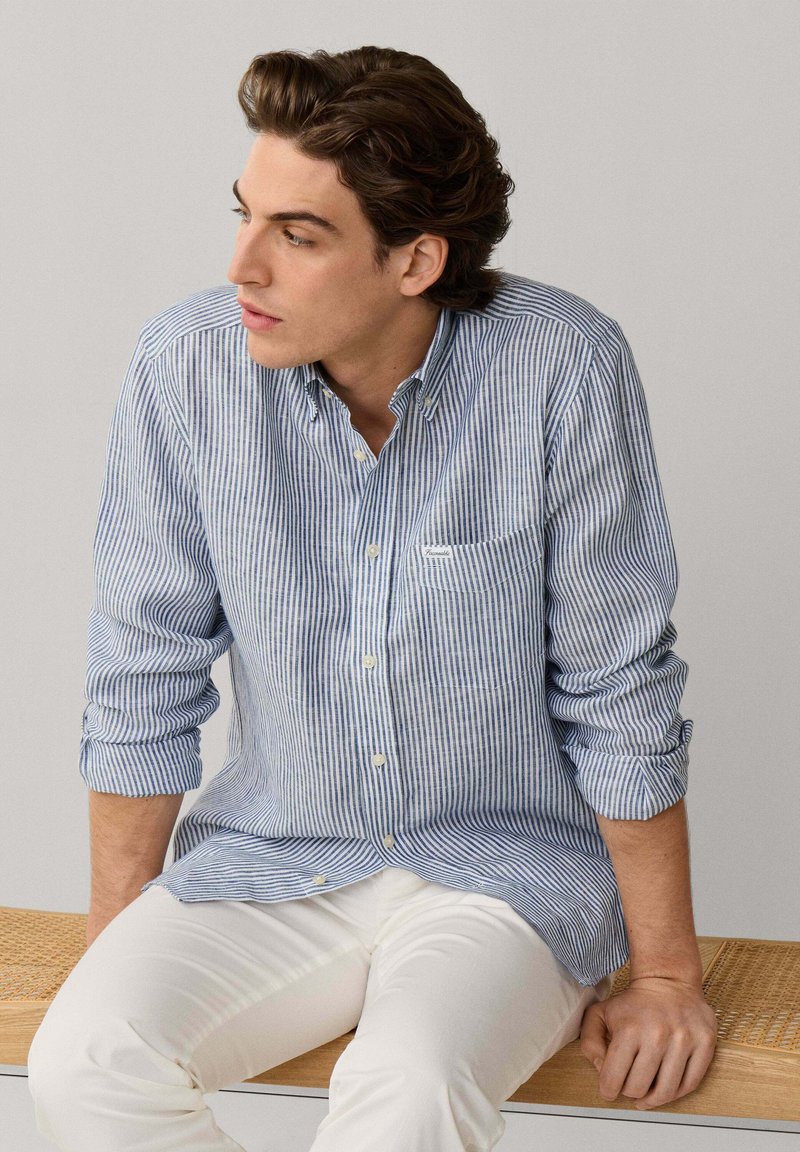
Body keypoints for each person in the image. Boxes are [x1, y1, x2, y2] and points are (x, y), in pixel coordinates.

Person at [26, 44, 718, 1152]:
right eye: (245, 215)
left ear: (415, 260)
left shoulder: (561, 366)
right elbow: (142, 677)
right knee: (85, 1063)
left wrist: (667, 976)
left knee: (407, 1089)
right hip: (269, 855)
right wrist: (118, 948)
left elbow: (617, 687)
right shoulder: (183, 369)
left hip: (507, 878)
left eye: (297, 235)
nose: (242, 265)